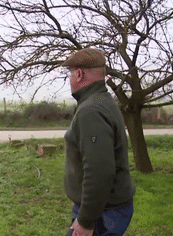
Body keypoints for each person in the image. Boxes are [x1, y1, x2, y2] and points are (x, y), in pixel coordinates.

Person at [61, 48, 136, 236]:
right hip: (103, 208)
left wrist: (86, 221)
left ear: (79, 74)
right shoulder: (102, 102)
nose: (69, 79)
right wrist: (78, 195)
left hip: (103, 213)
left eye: (70, 73)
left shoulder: (91, 111)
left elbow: (99, 170)